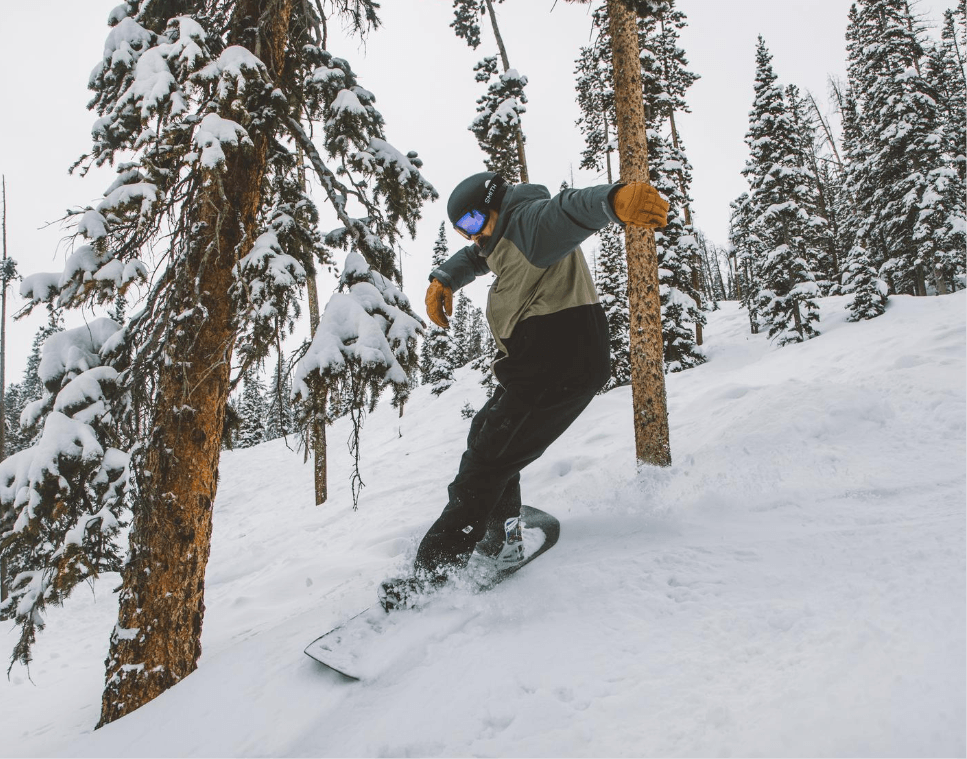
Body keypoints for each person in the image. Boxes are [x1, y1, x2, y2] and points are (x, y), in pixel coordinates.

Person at [380, 172, 668, 609]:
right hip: (536, 364)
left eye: (475, 220)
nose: (472, 234)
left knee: (485, 464)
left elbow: (569, 209)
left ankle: (432, 577)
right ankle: (504, 534)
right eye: (463, 228)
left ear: (497, 204)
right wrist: (446, 278)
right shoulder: (500, 237)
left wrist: (614, 200)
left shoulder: (532, 224)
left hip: (559, 362)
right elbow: (479, 257)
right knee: (489, 437)